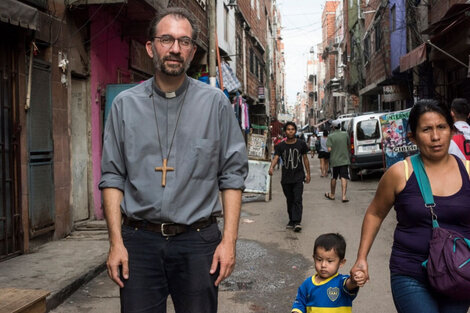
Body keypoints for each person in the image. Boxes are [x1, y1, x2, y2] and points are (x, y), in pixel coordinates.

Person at [99, 7, 248, 313]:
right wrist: (116, 243)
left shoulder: (215, 104)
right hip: (139, 241)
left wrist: (229, 242)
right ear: (151, 47)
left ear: (192, 51)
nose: (175, 49)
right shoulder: (125, 107)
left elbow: (232, 176)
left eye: (184, 42)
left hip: (197, 242)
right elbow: (112, 177)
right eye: (167, 39)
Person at [350, 99, 470, 313]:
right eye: (426, 129)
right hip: (410, 273)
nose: (435, 136)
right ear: (412, 137)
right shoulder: (400, 173)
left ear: (452, 131)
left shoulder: (468, 171)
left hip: (459, 272)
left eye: (441, 127)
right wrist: (361, 258)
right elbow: (375, 214)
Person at [291, 233, 364, 313]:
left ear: (341, 262)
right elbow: (299, 303)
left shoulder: (341, 282)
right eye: (319, 259)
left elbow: (350, 284)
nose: (323, 265)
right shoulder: (307, 284)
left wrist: (355, 279)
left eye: (329, 261)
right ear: (314, 258)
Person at [269, 121, 310, 232]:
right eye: (288, 129)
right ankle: (291, 220)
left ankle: (297, 222)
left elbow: (305, 159)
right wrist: (271, 167)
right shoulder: (280, 146)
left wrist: (308, 174)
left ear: (295, 131)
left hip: (298, 177)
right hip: (286, 178)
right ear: (285, 131)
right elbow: (276, 157)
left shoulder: (301, 144)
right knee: (290, 199)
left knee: (297, 199)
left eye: (292, 129)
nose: (290, 131)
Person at [324, 120, 350, 202]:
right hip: (344, 160)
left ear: (333, 127)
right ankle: (344, 196)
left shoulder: (330, 136)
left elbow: (329, 149)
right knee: (344, 177)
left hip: (334, 161)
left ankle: (332, 195)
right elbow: (348, 145)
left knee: (334, 177)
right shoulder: (345, 134)